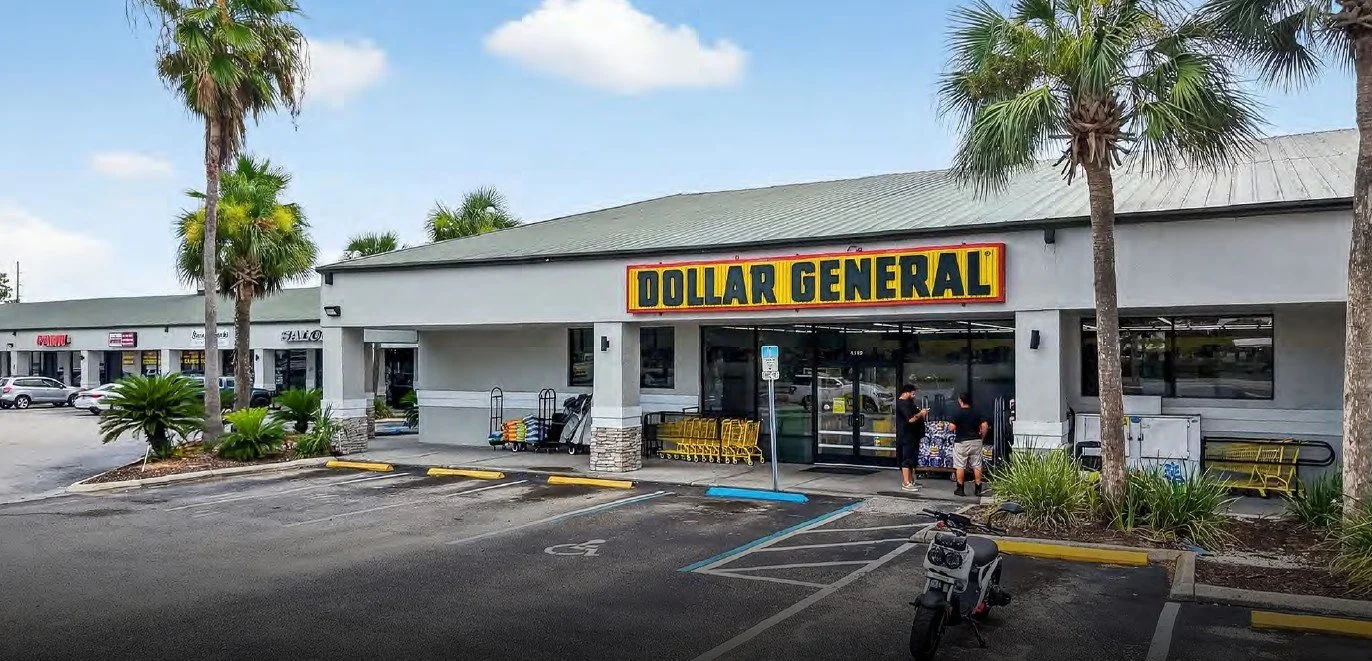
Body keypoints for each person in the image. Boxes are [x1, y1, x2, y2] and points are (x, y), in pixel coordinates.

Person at [947, 392, 988, 497]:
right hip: (976, 441)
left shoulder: (957, 413)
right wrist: (982, 437)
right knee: (977, 464)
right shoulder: (977, 412)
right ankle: (978, 489)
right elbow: (985, 426)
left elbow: (951, 427)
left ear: (960, 400)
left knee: (960, 465)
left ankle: (960, 489)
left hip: (961, 442)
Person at [894, 383, 929, 492]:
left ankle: (911, 480)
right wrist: (921, 414)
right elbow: (910, 419)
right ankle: (906, 482)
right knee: (907, 458)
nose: (914, 396)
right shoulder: (902, 404)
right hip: (906, 436)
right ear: (906, 393)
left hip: (914, 435)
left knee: (912, 459)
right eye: (912, 394)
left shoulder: (909, 403)